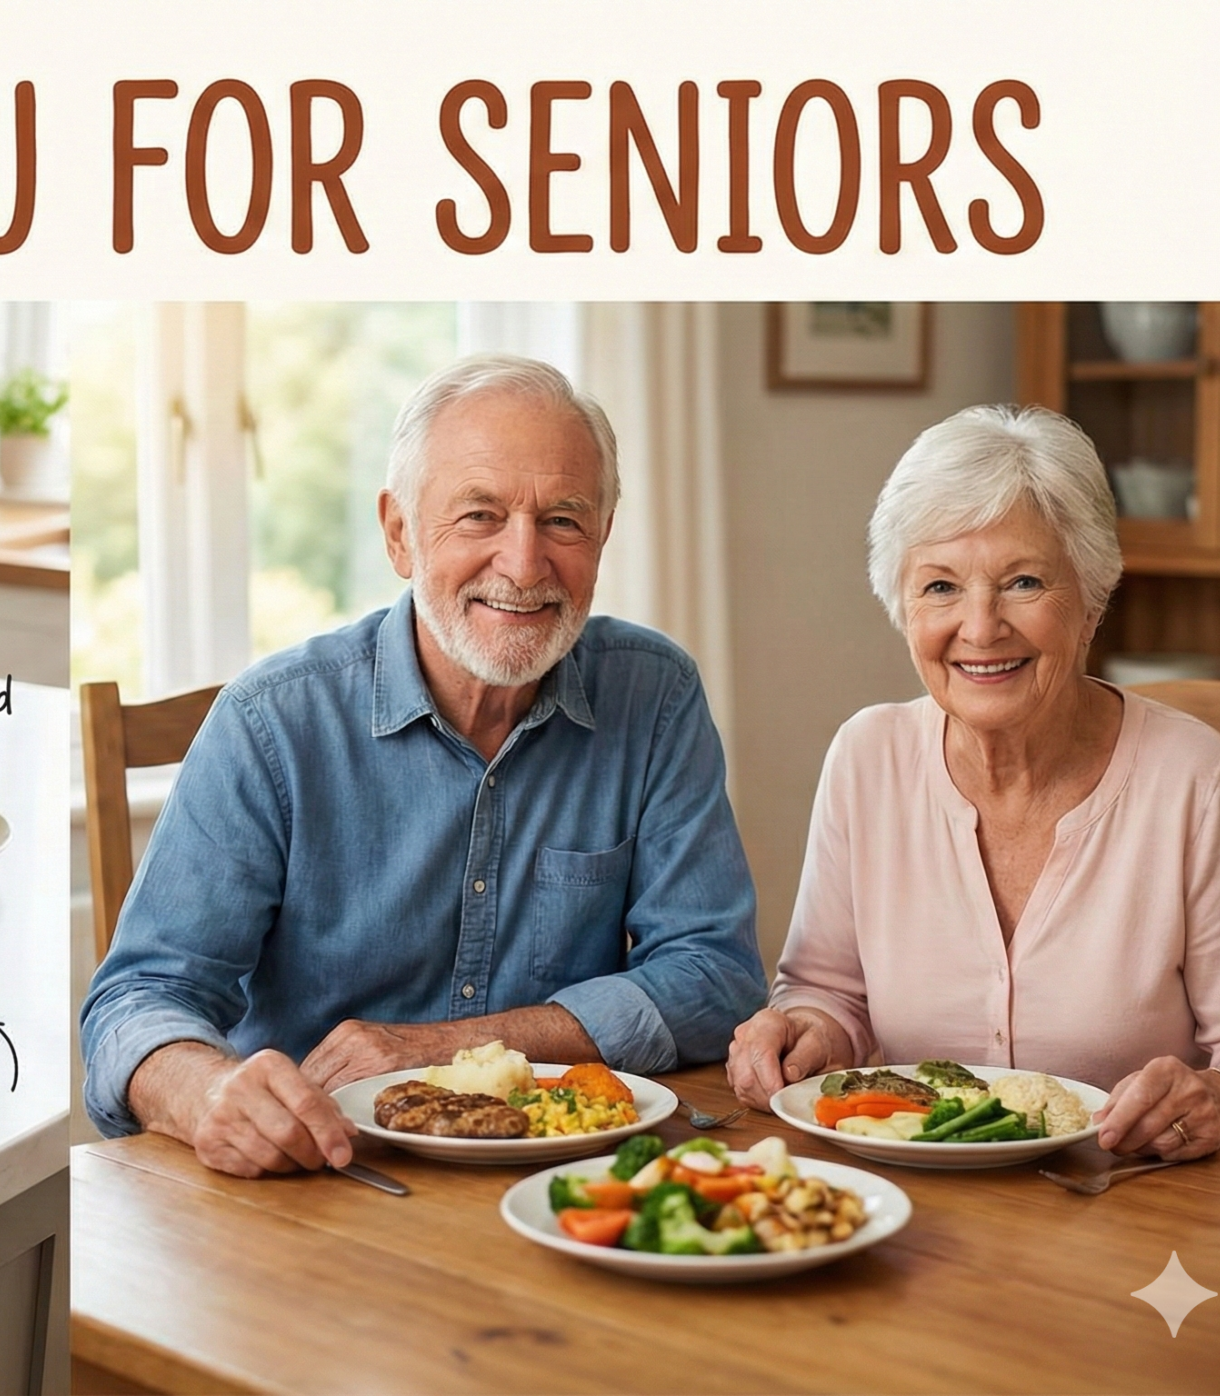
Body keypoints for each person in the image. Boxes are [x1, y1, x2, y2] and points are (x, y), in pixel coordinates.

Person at [79, 353, 765, 1178]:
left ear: (604, 535)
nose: (523, 563)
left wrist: (445, 1048)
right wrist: (208, 1093)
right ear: (400, 533)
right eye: (479, 515)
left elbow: (715, 977)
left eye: (564, 521)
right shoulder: (271, 722)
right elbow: (138, 999)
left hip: (563, 1177)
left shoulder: (654, 694)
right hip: (319, 1181)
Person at [727, 404, 1220, 1159]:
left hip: (1128, 1197)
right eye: (941, 588)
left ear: (1092, 599)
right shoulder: (867, 756)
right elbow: (830, 994)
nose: (980, 628)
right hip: (911, 1202)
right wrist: (806, 1032)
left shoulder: (1193, 778)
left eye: (1022, 581)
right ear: (902, 608)